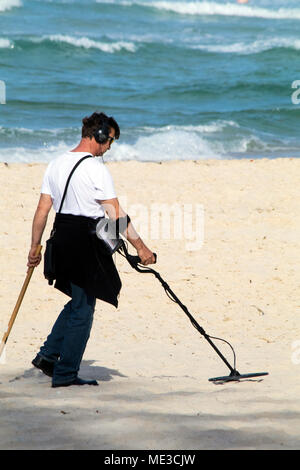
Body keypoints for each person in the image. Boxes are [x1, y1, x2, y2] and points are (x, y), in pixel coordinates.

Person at [28, 111, 155, 388]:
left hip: (60, 238)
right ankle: (65, 374)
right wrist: (142, 249)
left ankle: (48, 357)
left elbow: (42, 210)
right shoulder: (96, 168)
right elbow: (115, 213)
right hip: (83, 243)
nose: (109, 147)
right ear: (98, 136)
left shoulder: (56, 163)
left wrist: (34, 247)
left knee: (77, 300)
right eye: (110, 141)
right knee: (84, 308)